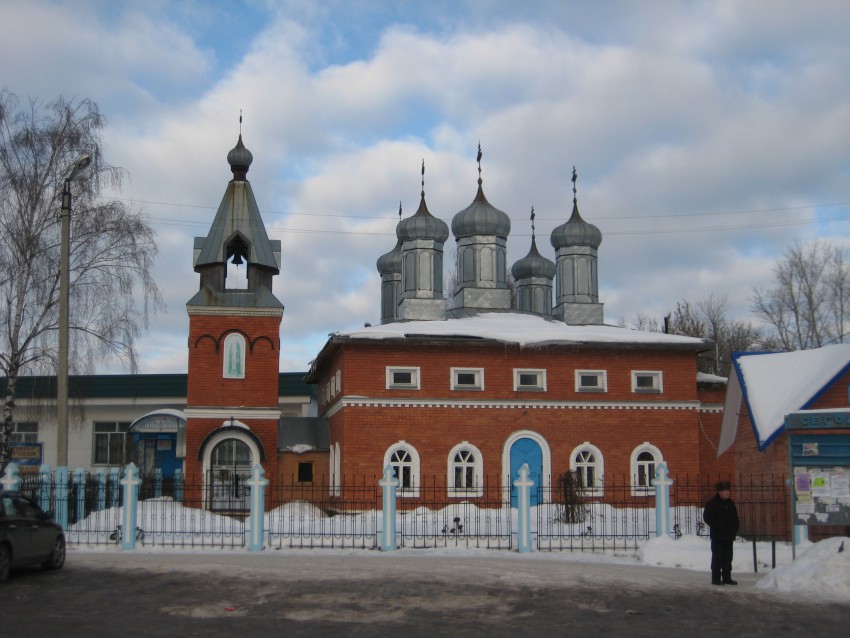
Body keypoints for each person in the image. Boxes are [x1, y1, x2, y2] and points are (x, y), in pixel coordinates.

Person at [703, 480, 740, 585]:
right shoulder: (712, 503)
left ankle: (727, 577)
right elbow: (707, 517)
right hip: (718, 536)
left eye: (728, 490)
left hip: (729, 536)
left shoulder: (730, 503)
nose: (727, 492)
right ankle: (716, 578)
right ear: (719, 491)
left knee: (728, 557)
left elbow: (735, 519)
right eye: (725, 490)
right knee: (717, 557)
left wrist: (735, 529)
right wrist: (718, 525)